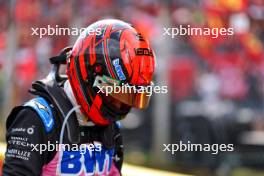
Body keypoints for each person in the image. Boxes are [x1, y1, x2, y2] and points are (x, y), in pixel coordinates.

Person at [2, 19, 155, 176]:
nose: (119, 105)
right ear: (89, 76)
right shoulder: (37, 119)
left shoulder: (113, 127)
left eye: (129, 98)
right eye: (116, 95)